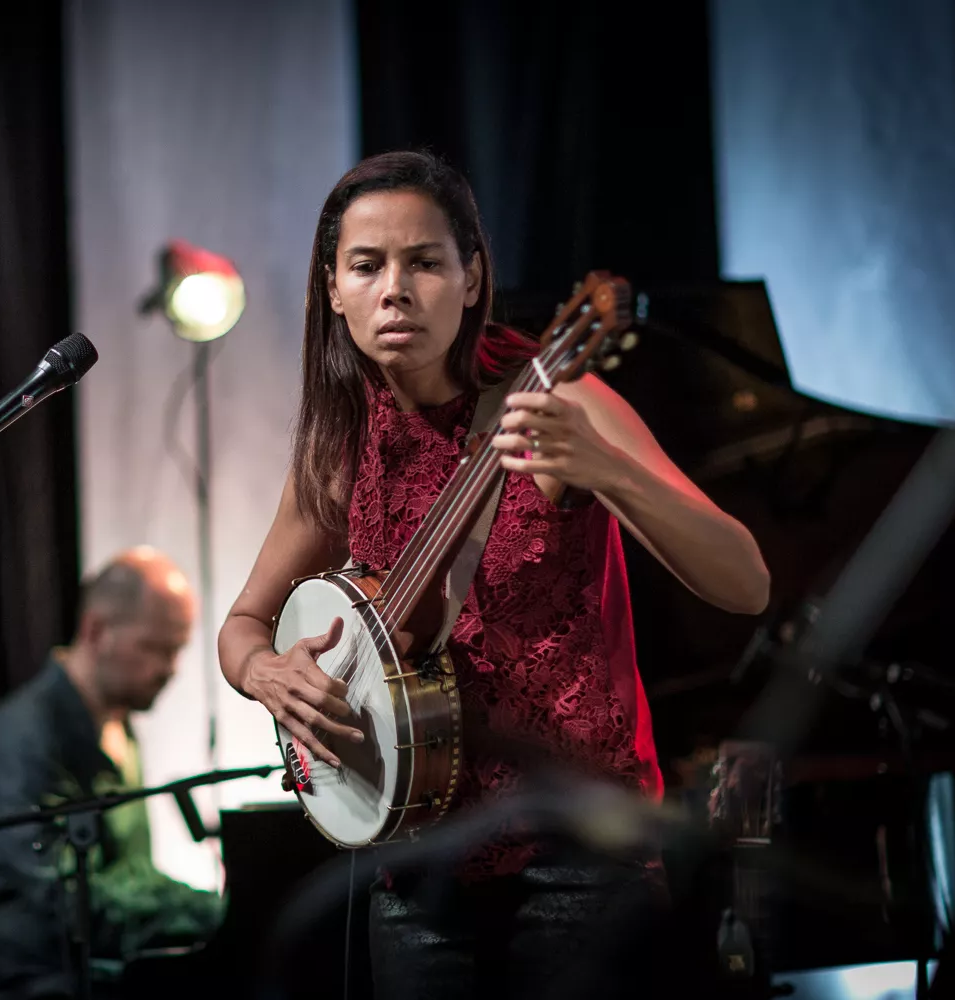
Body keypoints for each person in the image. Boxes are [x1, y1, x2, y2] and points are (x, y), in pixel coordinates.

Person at [217, 151, 771, 999]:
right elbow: (242, 627)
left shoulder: (558, 404)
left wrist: (606, 469)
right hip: (414, 866)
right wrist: (267, 674)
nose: (394, 289)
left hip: (581, 856)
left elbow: (747, 583)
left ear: (472, 279)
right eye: (367, 266)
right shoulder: (337, 449)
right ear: (333, 289)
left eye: (426, 263)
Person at [0, 546, 223, 1000]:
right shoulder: (22, 739)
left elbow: (131, 873)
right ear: (96, 630)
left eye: (178, 651)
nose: (170, 670)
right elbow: (65, 902)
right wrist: (207, 911)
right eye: (156, 648)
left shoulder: (118, 721)